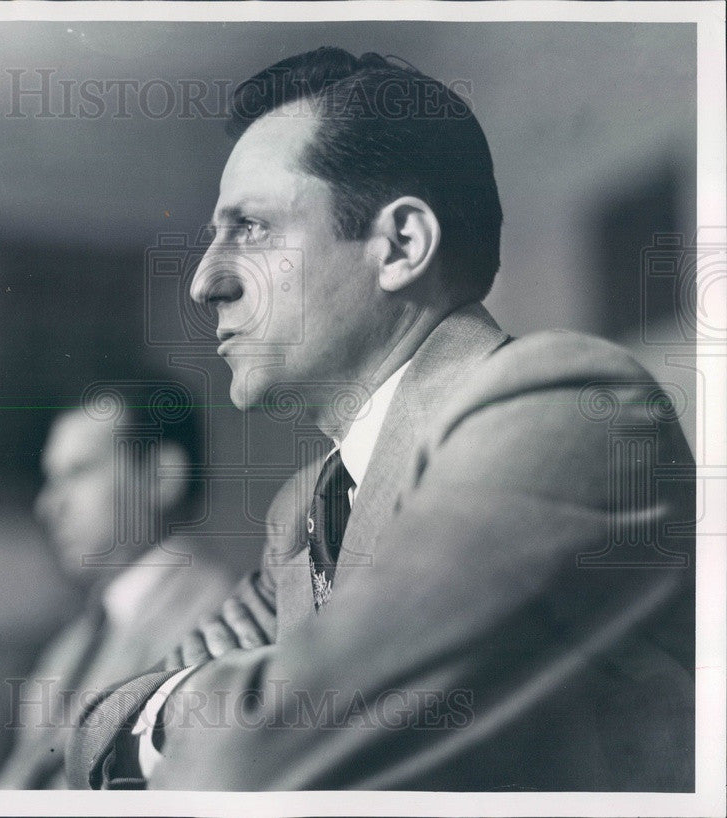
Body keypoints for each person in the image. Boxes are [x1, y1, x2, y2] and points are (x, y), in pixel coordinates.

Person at [64, 47, 696, 791]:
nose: (206, 280)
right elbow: (91, 731)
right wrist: (215, 704)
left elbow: (248, 760)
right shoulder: (303, 508)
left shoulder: (567, 410)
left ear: (400, 245)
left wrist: (198, 705)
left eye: (252, 228)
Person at [0, 379, 237, 789]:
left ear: (162, 478)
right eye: (52, 479)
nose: (48, 504)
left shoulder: (223, 623)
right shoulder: (68, 647)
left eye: (78, 472)